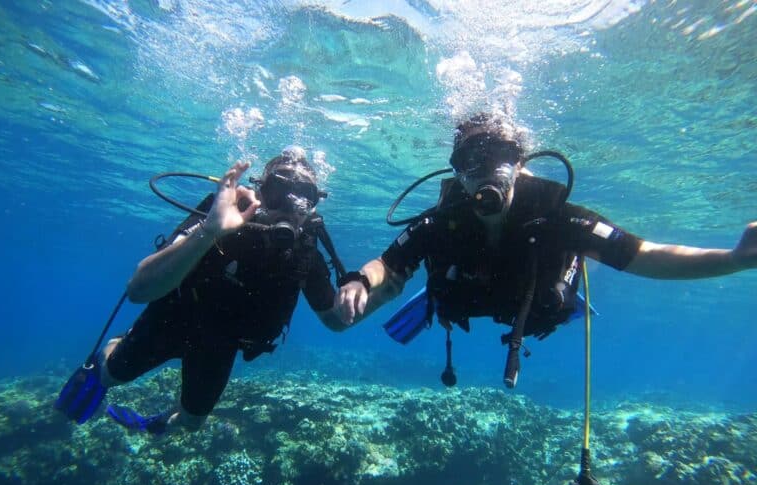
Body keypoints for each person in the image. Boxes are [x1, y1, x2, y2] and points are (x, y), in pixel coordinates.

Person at [334, 113, 757, 387]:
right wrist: (359, 278)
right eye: (470, 161)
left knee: (561, 285)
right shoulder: (439, 222)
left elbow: (642, 254)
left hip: (536, 301)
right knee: (438, 286)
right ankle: (436, 296)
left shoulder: (561, 217)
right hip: (463, 293)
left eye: (502, 157)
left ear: (520, 163)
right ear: (457, 172)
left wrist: (735, 259)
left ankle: (569, 283)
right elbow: (389, 265)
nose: (487, 173)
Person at [66, 147, 347, 434]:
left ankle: (157, 424)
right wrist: (210, 230)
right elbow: (138, 290)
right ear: (260, 190)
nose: (288, 207)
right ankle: (112, 348)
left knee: (192, 422)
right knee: (110, 374)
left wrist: (369, 286)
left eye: (303, 196)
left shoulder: (306, 249)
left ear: (314, 203)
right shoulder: (220, 213)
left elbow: (334, 319)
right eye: (278, 189)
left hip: (221, 344)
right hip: (173, 318)